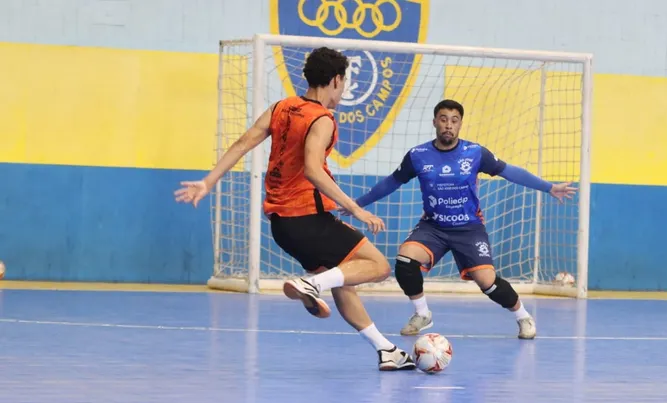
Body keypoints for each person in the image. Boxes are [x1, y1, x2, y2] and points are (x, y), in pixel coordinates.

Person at [174, 47, 415, 370]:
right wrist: (355, 209)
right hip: (307, 219)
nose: (342, 89)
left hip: (282, 227)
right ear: (335, 80)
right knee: (378, 265)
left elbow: (243, 143)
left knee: (342, 281)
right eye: (343, 83)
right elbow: (313, 169)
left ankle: (385, 350)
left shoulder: (281, 108)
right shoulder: (322, 119)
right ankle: (311, 285)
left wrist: (208, 182)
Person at [351, 99, 577, 339]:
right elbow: (391, 182)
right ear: (435, 122)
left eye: (454, 120)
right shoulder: (418, 155)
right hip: (433, 227)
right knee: (405, 260)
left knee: (487, 283)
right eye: (444, 119)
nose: (449, 125)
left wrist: (548, 187)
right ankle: (422, 313)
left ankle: (523, 316)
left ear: (460, 124)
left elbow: (510, 171)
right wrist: (357, 205)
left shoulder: (475, 153)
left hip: (469, 228)